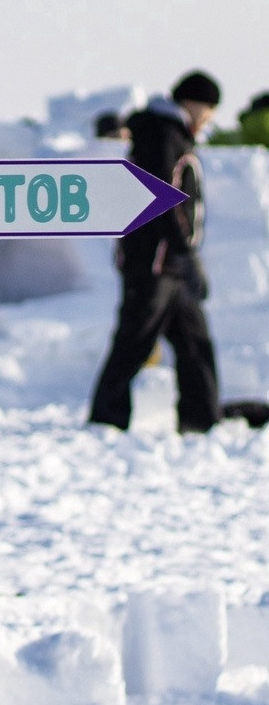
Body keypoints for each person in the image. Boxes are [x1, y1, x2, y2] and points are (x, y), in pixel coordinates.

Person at [88, 70, 222, 433]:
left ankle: (201, 421)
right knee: (134, 341)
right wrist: (185, 252)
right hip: (153, 262)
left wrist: (188, 256)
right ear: (192, 104)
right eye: (208, 108)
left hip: (171, 262)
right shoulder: (161, 133)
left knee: (195, 343)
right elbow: (161, 196)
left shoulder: (173, 134)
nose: (209, 117)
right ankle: (106, 419)